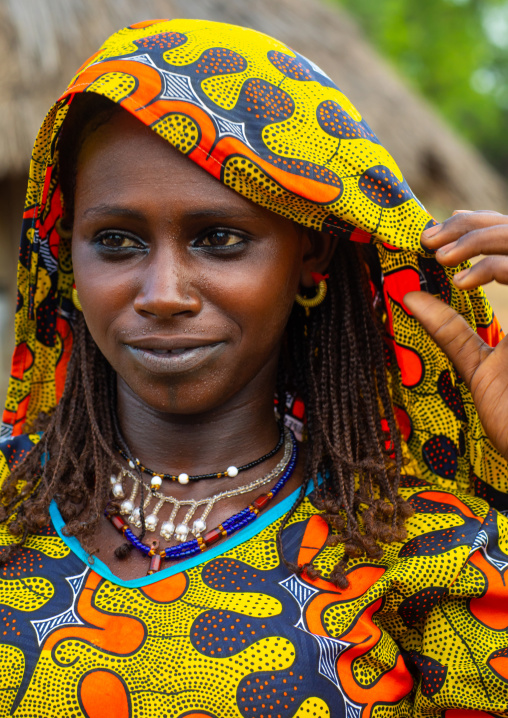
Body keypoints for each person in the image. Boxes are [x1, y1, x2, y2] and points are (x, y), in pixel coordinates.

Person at [0, 17, 507, 717]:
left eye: (219, 239)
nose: (163, 294)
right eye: (116, 241)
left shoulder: (415, 543)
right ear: (66, 251)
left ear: (310, 254)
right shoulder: (10, 500)